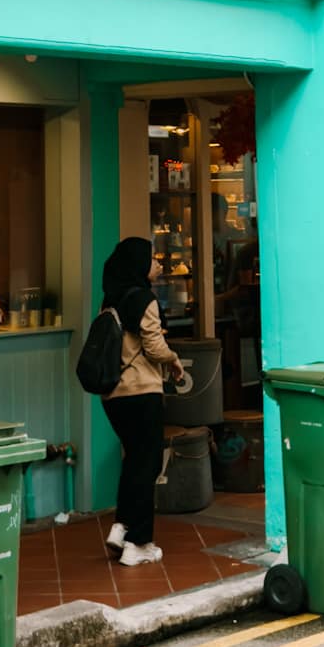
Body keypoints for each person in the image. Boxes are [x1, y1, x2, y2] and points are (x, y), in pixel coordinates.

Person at [100, 236, 187, 565]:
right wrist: (174, 358)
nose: (157, 264)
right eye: (152, 259)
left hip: (113, 396)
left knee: (134, 461)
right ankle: (139, 544)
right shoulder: (145, 300)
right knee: (147, 464)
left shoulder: (110, 300)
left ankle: (121, 529)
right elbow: (153, 347)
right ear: (138, 264)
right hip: (141, 392)